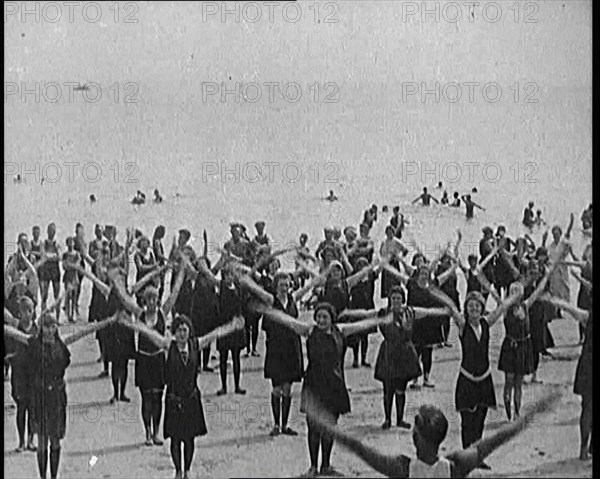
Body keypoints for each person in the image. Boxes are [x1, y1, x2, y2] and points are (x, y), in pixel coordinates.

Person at [253, 301, 397, 477]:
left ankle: (326, 466)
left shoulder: (340, 331)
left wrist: (380, 321)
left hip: (334, 385)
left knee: (330, 426)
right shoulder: (310, 331)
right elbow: (288, 321)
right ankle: (313, 467)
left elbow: (361, 325)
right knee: (313, 427)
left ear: (331, 318)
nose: (321, 320)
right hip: (314, 384)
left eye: (324, 317)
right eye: (318, 317)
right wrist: (268, 311)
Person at [302, 388, 561, 478]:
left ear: (414, 438)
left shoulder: (402, 468)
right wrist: (531, 413)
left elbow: (358, 447)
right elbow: (498, 438)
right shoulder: (456, 466)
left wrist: (324, 422)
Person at [118, 309, 244, 479]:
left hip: (191, 399)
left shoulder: (195, 345)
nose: (182, 334)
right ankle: (178, 471)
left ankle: (187, 471)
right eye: (179, 330)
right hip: (174, 399)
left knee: (190, 439)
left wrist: (232, 326)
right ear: (174, 332)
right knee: (176, 439)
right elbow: (147, 332)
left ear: (189, 331)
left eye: (185, 330)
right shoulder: (168, 346)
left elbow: (214, 334)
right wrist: (129, 322)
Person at [5, 311, 117, 479]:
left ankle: (54, 476)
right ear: (41, 328)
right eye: (46, 327)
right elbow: (14, 333)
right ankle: (43, 476)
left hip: (57, 397)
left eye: (52, 326)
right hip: (40, 395)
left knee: (55, 439)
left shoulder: (61, 343)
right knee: (42, 440)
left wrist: (109, 320)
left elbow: (82, 332)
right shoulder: (33, 343)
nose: (49, 330)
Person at [375, 286, 451, 430]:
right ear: (390, 299)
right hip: (388, 353)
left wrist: (443, 311)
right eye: (393, 298)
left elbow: (427, 312)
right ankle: (387, 419)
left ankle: (400, 419)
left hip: (404, 353)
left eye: (398, 298)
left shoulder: (409, 312)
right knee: (388, 389)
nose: (396, 300)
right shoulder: (383, 313)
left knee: (401, 388)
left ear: (402, 299)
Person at [241, 272, 305, 437]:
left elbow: (307, 289)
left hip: (292, 348)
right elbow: (256, 290)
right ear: (276, 286)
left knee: (288, 389)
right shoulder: (271, 301)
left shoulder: (292, 300)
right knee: (277, 389)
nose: (284, 288)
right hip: (276, 348)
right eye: (281, 285)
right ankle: (276, 424)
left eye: (287, 285)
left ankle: (285, 425)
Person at [540, 291, 592, 460]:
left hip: (587, 366)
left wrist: (556, 301)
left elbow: (571, 309)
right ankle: (587, 448)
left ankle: (584, 449)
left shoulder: (588, 316)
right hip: (588, 366)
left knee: (587, 408)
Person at [39, 223, 62, 322]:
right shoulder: (43, 243)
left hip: (55, 271)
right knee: (44, 296)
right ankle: (43, 317)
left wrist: (49, 257)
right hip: (46, 271)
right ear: (47, 231)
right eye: (50, 230)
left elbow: (60, 257)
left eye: (53, 230)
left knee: (57, 295)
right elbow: (43, 255)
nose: (52, 232)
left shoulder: (57, 244)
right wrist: (53, 256)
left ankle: (57, 318)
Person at [62, 237, 81, 323]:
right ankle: (67, 315)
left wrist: (70, 265)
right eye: (69, 242)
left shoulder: (77, 254)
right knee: (68, 296)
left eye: (72, 242)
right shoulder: (65, 254)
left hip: (75, 277)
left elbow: (77, 266)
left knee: (74, 297)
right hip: (67, 277)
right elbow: (64, 266)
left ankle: (73, 315)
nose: (70, 244)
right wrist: (70, 266)